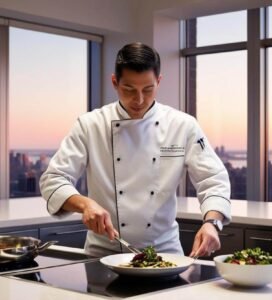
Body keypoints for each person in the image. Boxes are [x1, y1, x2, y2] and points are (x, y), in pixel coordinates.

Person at [40, 42, 231, 258]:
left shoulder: (183, 125)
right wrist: (85, 205)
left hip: (165, 254)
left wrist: (212, 223)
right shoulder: (90, 124)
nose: (139, 100)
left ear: (158, 82)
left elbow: (213, 179)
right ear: (114, 82)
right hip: (103, 254)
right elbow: (53, 180)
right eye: (129, 89)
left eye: (148, 89)